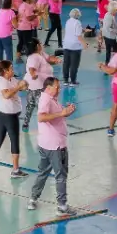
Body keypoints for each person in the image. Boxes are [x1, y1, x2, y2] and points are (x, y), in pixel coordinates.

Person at [27, 77, 74, 215]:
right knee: (60, 175)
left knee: (43, 173)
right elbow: (41, 117)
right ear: (48, 87)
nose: (59, 89)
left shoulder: (49, 98)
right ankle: (62, 206)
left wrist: (65, 112)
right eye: (56, 87)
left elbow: (55, 116)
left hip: (45, 144)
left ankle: (33, 199)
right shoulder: (46, 99)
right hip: (55, 146)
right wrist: (62, 113)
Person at [22, 40, 60, 131]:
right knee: (39, 107)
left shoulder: (41, 54)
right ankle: (43, 125)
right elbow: (32, 68)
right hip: (37, 88)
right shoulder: (34, 57)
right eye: (40, 43)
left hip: (41, 87)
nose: (41, 44)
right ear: (37, 46)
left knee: (32, 106)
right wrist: (33, 74)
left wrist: (55, 60)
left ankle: (26, 124)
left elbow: (48, 59)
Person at [62, 8, 84, 86]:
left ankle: (65, 80)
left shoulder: (68, 21)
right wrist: (85, 43)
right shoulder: (78, 22)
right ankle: (73, 81)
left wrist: (83, 30)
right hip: (75, 47)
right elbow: (78, 35)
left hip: (66, 45)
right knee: (74, 64)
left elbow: (72, 31)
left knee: (66, 63)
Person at [0, 0, 15, 64]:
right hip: (6, 35)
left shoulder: (0, 11)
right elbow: (15, 25)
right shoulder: (11, 12)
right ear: (10, 4)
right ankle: (9, 71)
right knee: (9, 55)